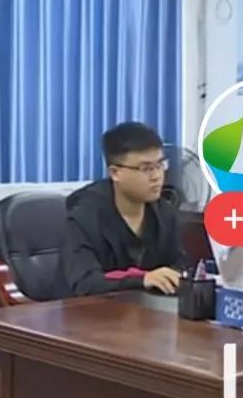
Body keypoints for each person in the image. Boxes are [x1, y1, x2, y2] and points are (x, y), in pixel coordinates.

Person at [62, 122, 186, 298]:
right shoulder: (84, 216)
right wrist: (142, 280)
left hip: (148, 309)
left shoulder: (165, 212)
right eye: (146, 169)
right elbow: (85, 283)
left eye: (160, 165)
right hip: (92, 311)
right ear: (115, 173)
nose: (157, 176)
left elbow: (180, 265)